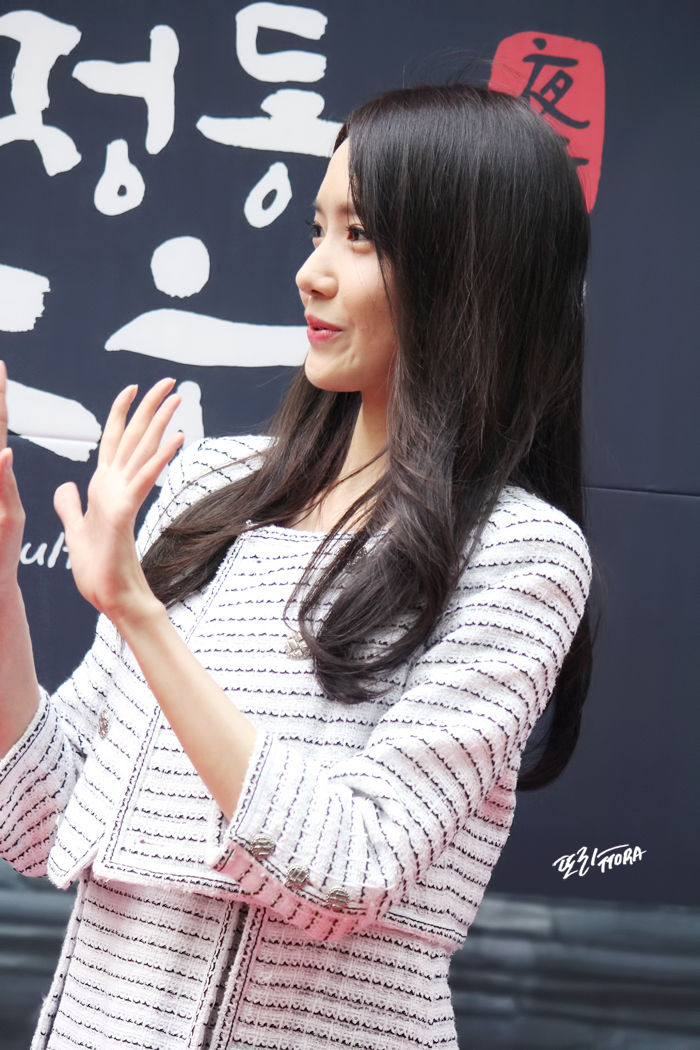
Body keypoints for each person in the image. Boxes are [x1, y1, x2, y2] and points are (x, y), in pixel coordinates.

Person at [0, 83, 592, 1050]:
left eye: (359, 237)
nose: (311, 273)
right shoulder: (213, 487)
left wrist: (141, 614)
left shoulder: (522, 554)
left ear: (468, 268)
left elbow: (346, 872)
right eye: (318, 230)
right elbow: (39, 817)